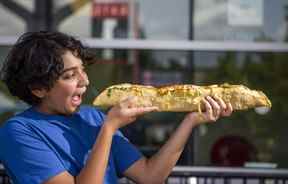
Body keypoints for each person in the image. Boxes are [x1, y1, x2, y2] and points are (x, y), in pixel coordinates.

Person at [0, 31, 233, 184]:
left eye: (83, 70)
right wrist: (109, 128)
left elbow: (150, 176)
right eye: (70, 76)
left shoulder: (93, 116)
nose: (85, 81)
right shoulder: (19, 132)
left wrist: (191, 121)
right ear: (38, 88)